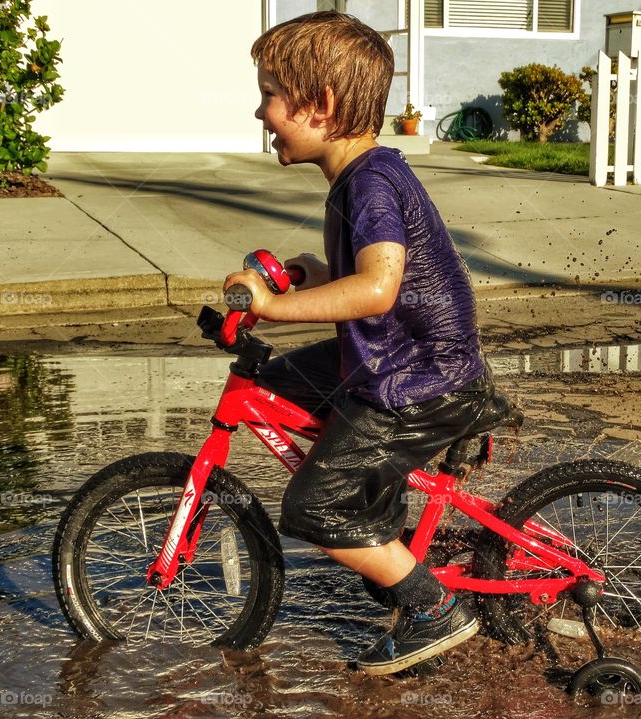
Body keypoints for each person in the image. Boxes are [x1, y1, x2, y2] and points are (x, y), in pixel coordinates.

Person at [223, 10, 505, 676]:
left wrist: (275, 304)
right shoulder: (362, 176)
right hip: (399, 360)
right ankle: (381, 514)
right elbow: (371, 284)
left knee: (312, 505)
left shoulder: (371, 183)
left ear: (319, 107)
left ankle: (432, 605)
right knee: (279, 380)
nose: (260, 111)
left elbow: (378, 288)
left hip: (417, 380)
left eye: (270, 94)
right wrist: (310, 279)